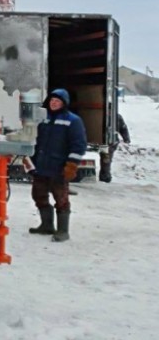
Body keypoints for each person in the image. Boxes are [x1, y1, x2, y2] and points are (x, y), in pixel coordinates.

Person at [28, 88, 87, 242]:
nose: (54, 103)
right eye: (52, 100)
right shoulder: (42, 119)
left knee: (61, 199)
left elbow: (79, 145)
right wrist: (30, 160)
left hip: (59, 168)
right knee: (38, 195)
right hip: (41, 166)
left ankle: (63, 231)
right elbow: (33, 139)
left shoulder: (73, 121)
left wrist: (72, 165)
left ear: (64, 103)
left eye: (58, 101)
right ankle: (47, 225)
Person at [98, 113, 130, 183]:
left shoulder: (100, 114)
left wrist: (126, 139)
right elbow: (123, 128)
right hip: (108, 142)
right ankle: (105, 176)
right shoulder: (116, 116)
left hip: (106, 142)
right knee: (106, 159)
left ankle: (105, 176)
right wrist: (126, 139)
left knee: (105, 158)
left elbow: (123, 128)